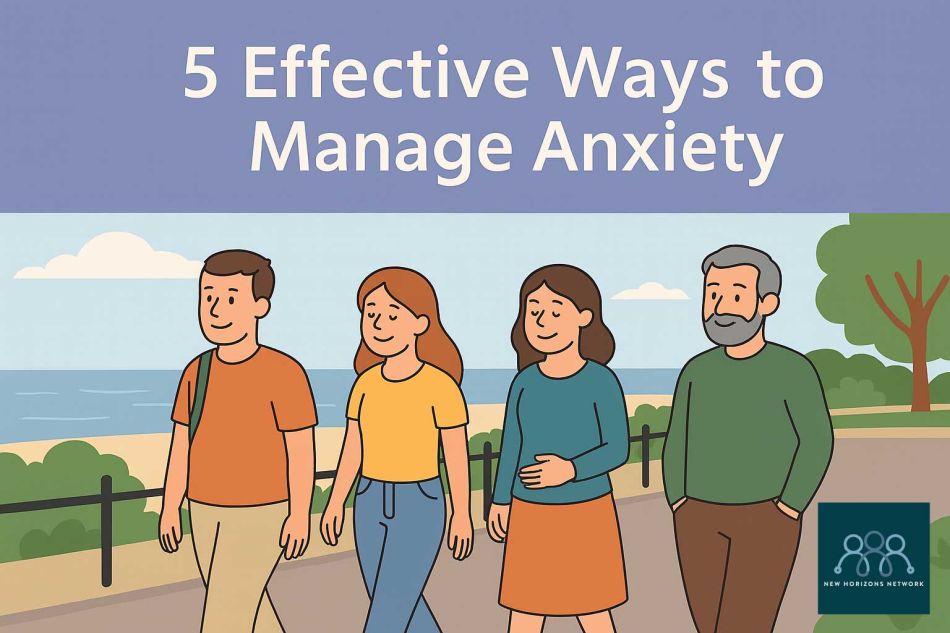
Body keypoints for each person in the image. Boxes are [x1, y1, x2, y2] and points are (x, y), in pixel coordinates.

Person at [662, 244, 834, 633]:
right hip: (697, 517)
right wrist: (679, 501)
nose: (721, 306)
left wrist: (789, 506)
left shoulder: (794, 369)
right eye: (713, 294)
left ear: (767, 302)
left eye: (736, 294)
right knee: (708, 625)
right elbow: (677, 440)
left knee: (747, 624)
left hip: (767, 517)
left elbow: (817, 441)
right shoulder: (696, 371)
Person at [158, 250, 317, 633]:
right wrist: (170, 505)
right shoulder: (196, 371)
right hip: (203, 507)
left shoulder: (285, 372)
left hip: (261, 511)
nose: (215, 309)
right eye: (208, 296)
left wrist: (299, 514)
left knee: (225, 616)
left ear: (260, 306)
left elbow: (300, 452)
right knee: (248, 610)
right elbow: (181, 447)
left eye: (230, 298)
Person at [320, 267, 473, 633]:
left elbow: (456, 456)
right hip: (369, 498)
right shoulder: (364, 385)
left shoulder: (441, 386)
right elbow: (352, 451)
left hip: (420, 502)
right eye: (370, 314)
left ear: (421, 322)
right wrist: (335, 501)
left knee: (390, 608)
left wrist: (462, 513)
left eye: (391, 314)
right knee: (398, 602)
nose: (378, 323)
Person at [488, 264, 629, 633]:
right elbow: (511, 445)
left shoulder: (601, 380)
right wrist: (501, 499)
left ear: (584, 317)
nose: (542, 320)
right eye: (533, 311)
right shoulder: (524, 382)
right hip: (530, 511)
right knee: (525, 610)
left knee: (594, 609)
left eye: (554, 310)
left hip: (587, 512)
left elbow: (617, 448)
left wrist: (570, 470)